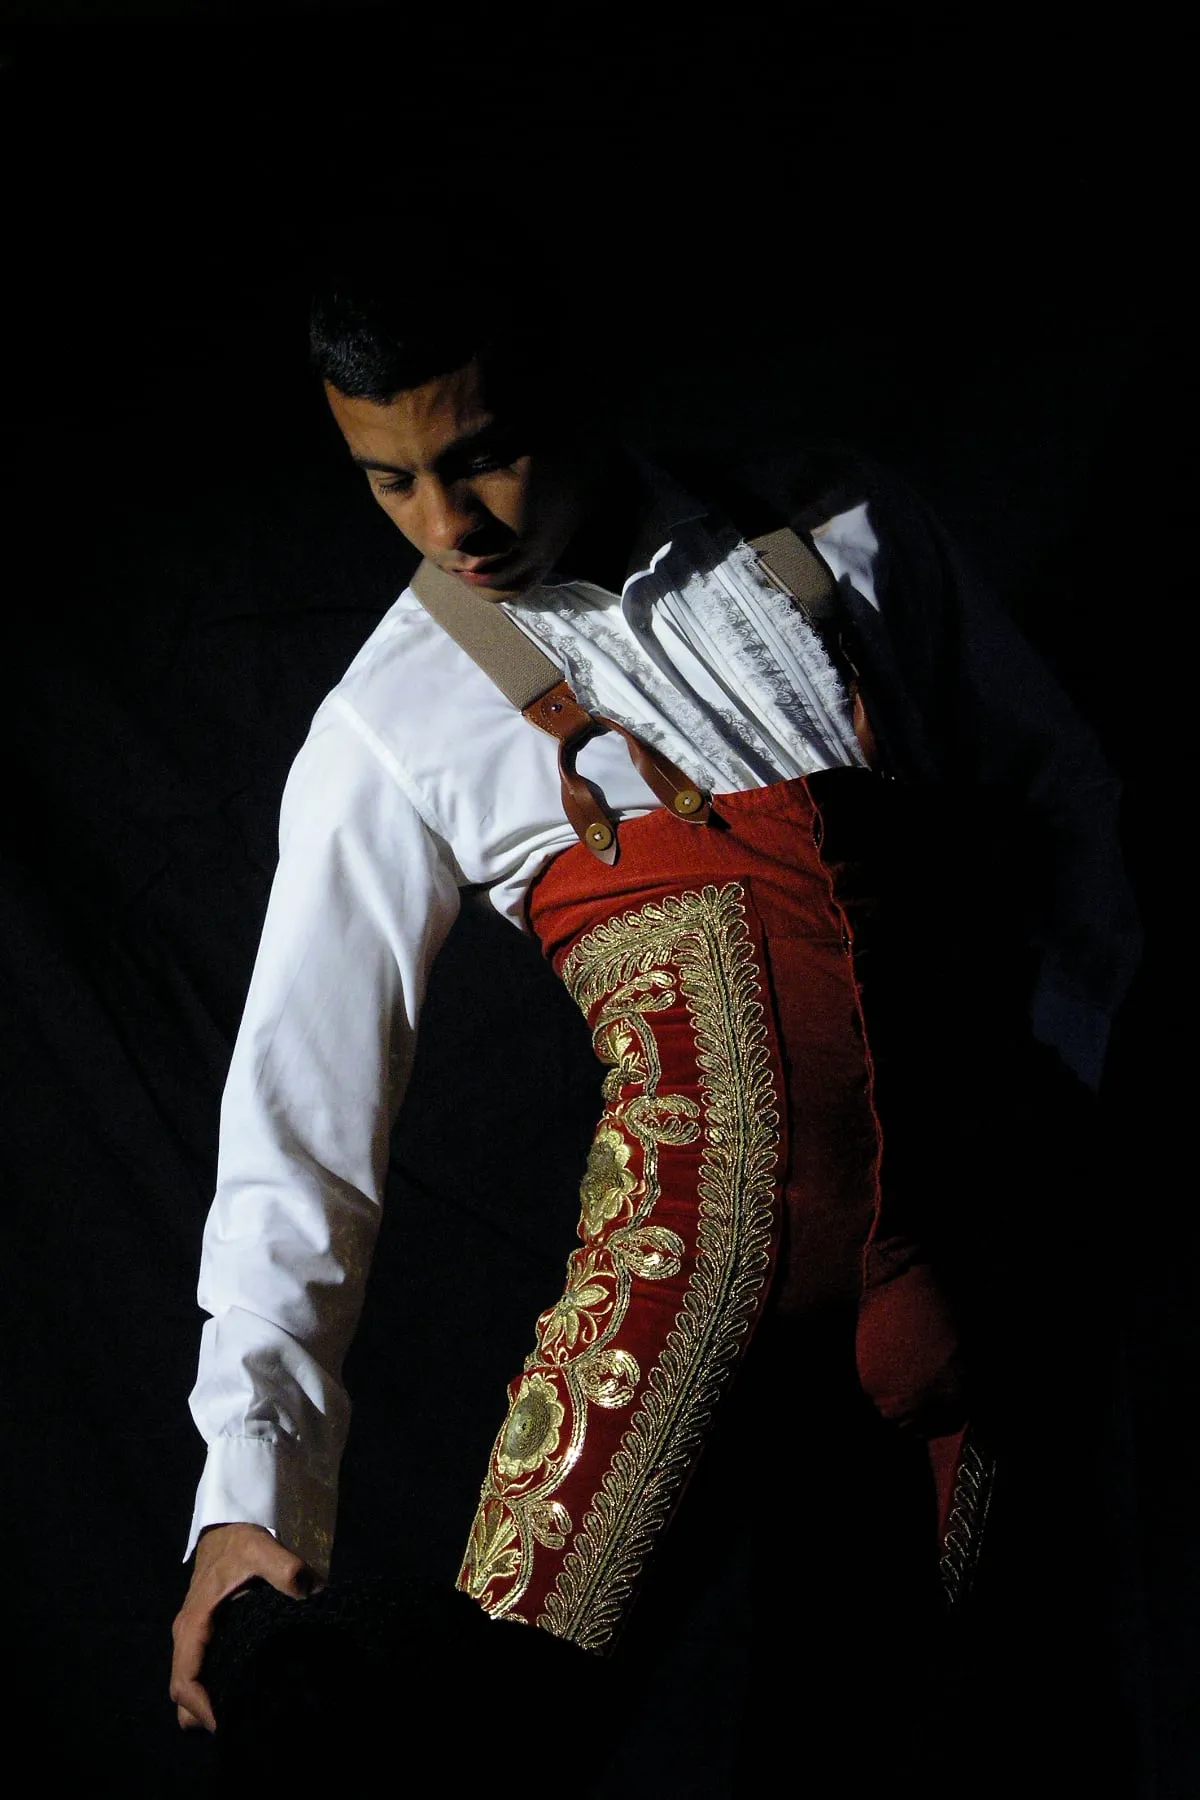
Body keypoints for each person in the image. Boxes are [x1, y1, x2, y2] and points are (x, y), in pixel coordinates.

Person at [169, 255, 1140, 1785]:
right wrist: (251, 1491)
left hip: (985, 1256)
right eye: (391, 482)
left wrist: (1060, 1076)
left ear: (569, 385)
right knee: (472, 1738)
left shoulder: (845, 524)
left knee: (977, 1743)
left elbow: (1063, 800)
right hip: (688, 1294)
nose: (449, 525)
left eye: (482, 454)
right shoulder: (387, 720)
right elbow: (299, 1128)